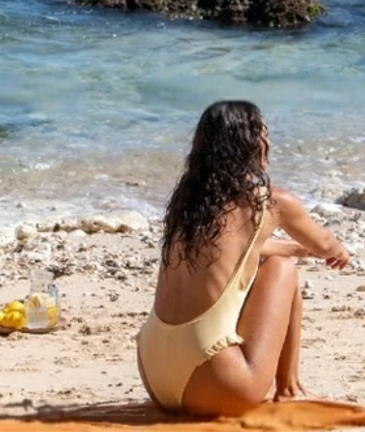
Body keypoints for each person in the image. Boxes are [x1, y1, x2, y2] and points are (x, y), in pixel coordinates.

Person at [137, 100, 350, 416]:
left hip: (155, 377)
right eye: (265, 134)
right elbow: (327, 245)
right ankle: (289, 389)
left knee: (278, 259)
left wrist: (294, 248)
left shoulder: (187, 204)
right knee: (282, 268)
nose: (269, 142)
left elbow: (231, 252)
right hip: (219, 382)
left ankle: (285, 387)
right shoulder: (270, 201)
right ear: (251, 143)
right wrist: (338, 252)